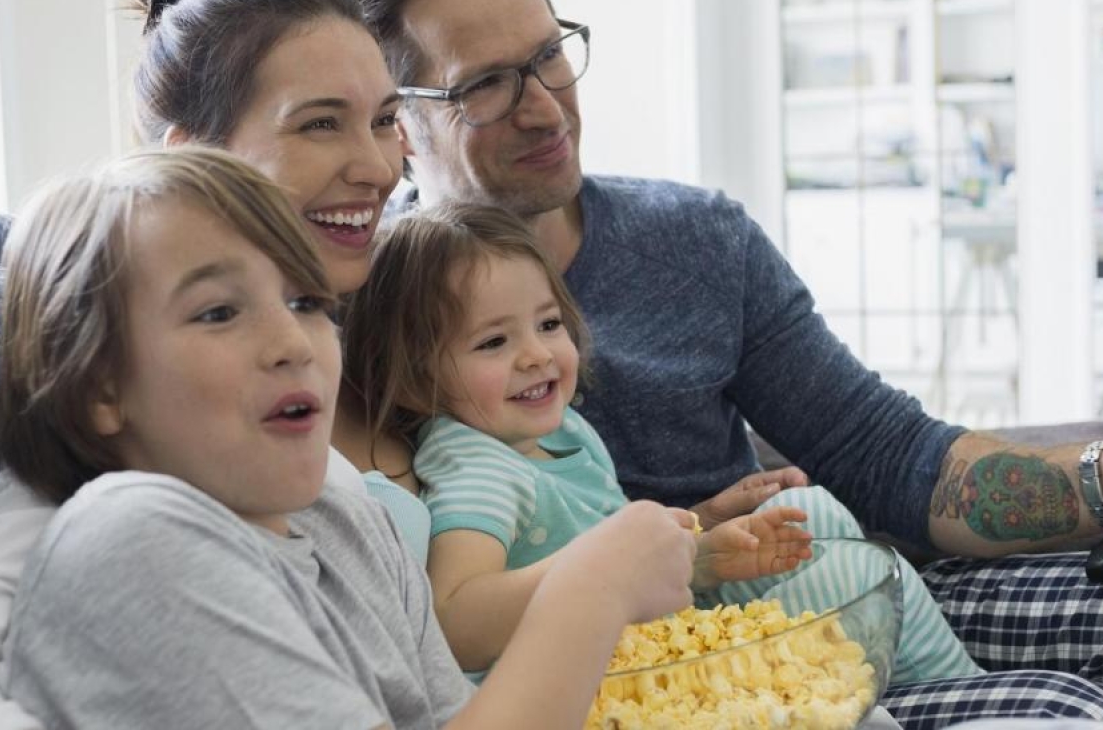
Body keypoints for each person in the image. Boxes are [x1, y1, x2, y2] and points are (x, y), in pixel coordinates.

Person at [0, 0, 794, 730]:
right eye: (319, 122)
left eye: (381, 121)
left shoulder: (385, 296)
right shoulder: (124, 472)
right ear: (201, 156)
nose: (378, 166)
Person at [325, 0, 1103, 724]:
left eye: (549, 55)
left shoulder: (696, 238)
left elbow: (885, 454)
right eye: (485, 85)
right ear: (400, 128)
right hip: (680, 682)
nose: (543, 106)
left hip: (814, 587)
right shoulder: (366, 314)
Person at [0, 143, 702, 728]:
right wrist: (592, 590)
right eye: (217, 312)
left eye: (304, 301)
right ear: (99, 387)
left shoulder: (341, 511)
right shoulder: (132, 536)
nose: (292, 341)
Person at [343, 201, 983, 685]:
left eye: (547, 323)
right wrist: (650, 565)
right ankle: (961, 695)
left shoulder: (559, 429)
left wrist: (703, 521)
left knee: (809, 517)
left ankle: (939, 688)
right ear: (417, 375)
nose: (537, 355)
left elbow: (614, 533)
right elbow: (455, 620)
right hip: (601, 679)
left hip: (650, 636)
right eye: (492, 342)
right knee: (847, 568)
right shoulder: (476, 464)